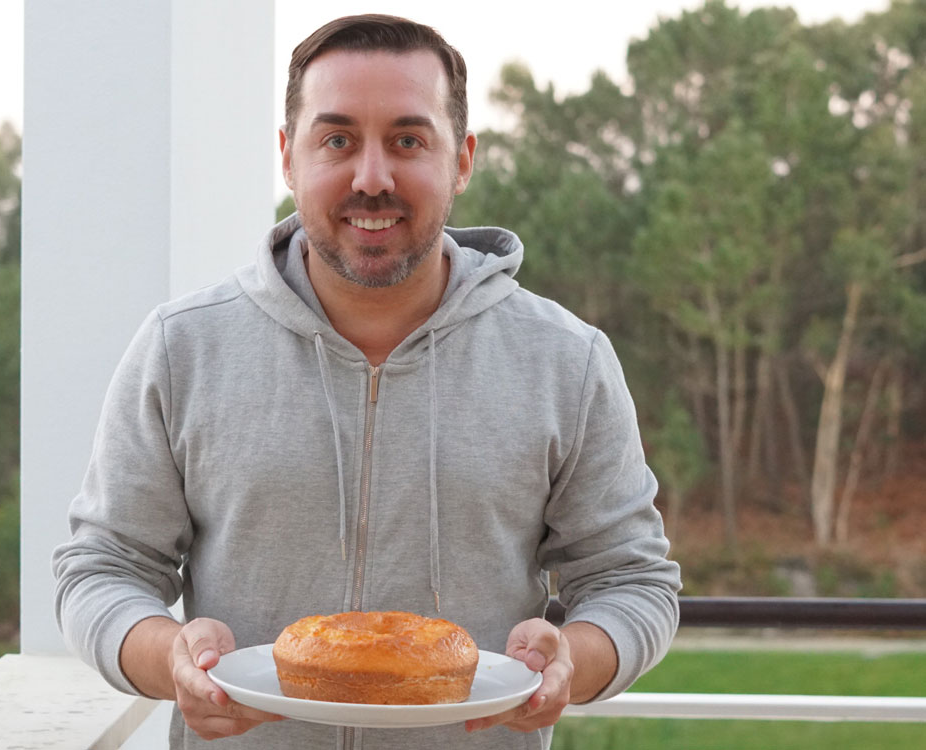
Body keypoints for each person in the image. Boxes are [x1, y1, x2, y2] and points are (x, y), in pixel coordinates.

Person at [53, 13, 681, 750]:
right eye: (337, 140)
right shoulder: (180, 346)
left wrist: (575, 660)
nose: (372, 178)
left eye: (408, 141)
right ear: (289, 158)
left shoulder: (564, 359)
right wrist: (173, 659)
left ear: (463, 160)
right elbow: (100, 570)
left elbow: (631, 583)